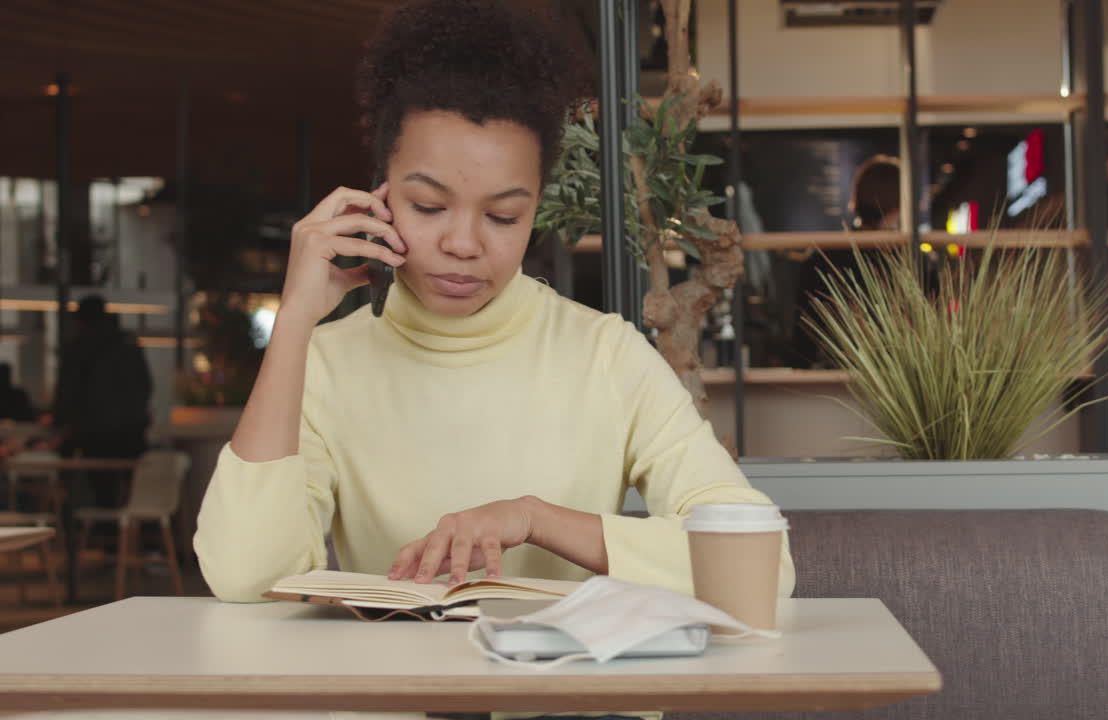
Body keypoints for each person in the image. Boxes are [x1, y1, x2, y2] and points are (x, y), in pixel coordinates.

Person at [195, 0, 792, 633]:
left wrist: (536, 519)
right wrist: (293, 322)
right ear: (379, 195)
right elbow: (246, 579)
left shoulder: (606, 355)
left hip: (565, 685)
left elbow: (766, 570)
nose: (463, 243)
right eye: (428, 206)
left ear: (536, 210)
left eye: (503, 216)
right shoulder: (325, 363)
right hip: (394, 683)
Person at [53, 294, 153, 460]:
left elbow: (67, 389)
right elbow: (146, 385)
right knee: (127, 472)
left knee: (97, 472)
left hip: (94, 432)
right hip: (131, 430)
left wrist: (59, 421)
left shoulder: (79, 347)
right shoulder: (128, 345)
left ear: (80, 320)